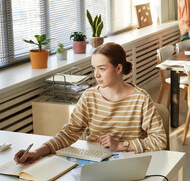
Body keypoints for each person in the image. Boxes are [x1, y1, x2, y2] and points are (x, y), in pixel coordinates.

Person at [14, 42, 167, 165]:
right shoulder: (89, 97)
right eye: (94, 68)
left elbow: (159, 140)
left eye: (102, 68)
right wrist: (36, 152)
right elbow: (68, 134)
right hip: (95, 164)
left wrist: (122, 145)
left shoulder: (140, 99)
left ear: (118, 68)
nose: (96, 75)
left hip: (131, 165)